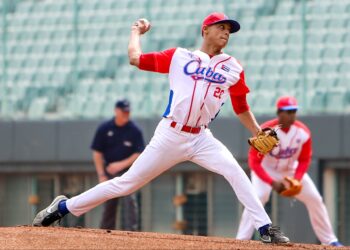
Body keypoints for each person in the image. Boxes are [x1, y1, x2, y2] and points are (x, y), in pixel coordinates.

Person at [33, 12, 289, 244]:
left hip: (201, 137)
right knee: (126, 184)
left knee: (235, 172)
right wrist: (135, 32)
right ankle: (63, 208)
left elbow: (241, 106)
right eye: (221, 27)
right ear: (205, 30)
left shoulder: (233, 67)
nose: (226, 33)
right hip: (171, 134)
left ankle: (265, 228)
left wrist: (257, 131)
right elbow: (135, 59)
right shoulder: (179, 56)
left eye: (229, 30)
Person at [236, 96, 343, 247]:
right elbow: (254, 161)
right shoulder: (266, 130)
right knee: (258, 197)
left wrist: (297, 179)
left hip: (290, 171)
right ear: (279, 112)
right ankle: (241, 240)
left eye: (294, 111)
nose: (292, 114)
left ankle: (330, 240)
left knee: (315, 199)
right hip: (266, 171)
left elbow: (305, 159)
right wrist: (272, 183)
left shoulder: (303, 132)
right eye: (288, 111)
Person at [91, 99, 144, 230]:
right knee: (108, 202)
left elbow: (139, 153)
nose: (126, 114)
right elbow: (97, 152)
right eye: (124, 111)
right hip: (109, 172)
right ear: (116, 111)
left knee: (130, 201)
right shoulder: (105, 128)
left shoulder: (135, 130)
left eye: (128, 112)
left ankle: (132, 232)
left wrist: (120, 165)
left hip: (129, 172)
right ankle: (105, 232)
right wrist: (101, 174)